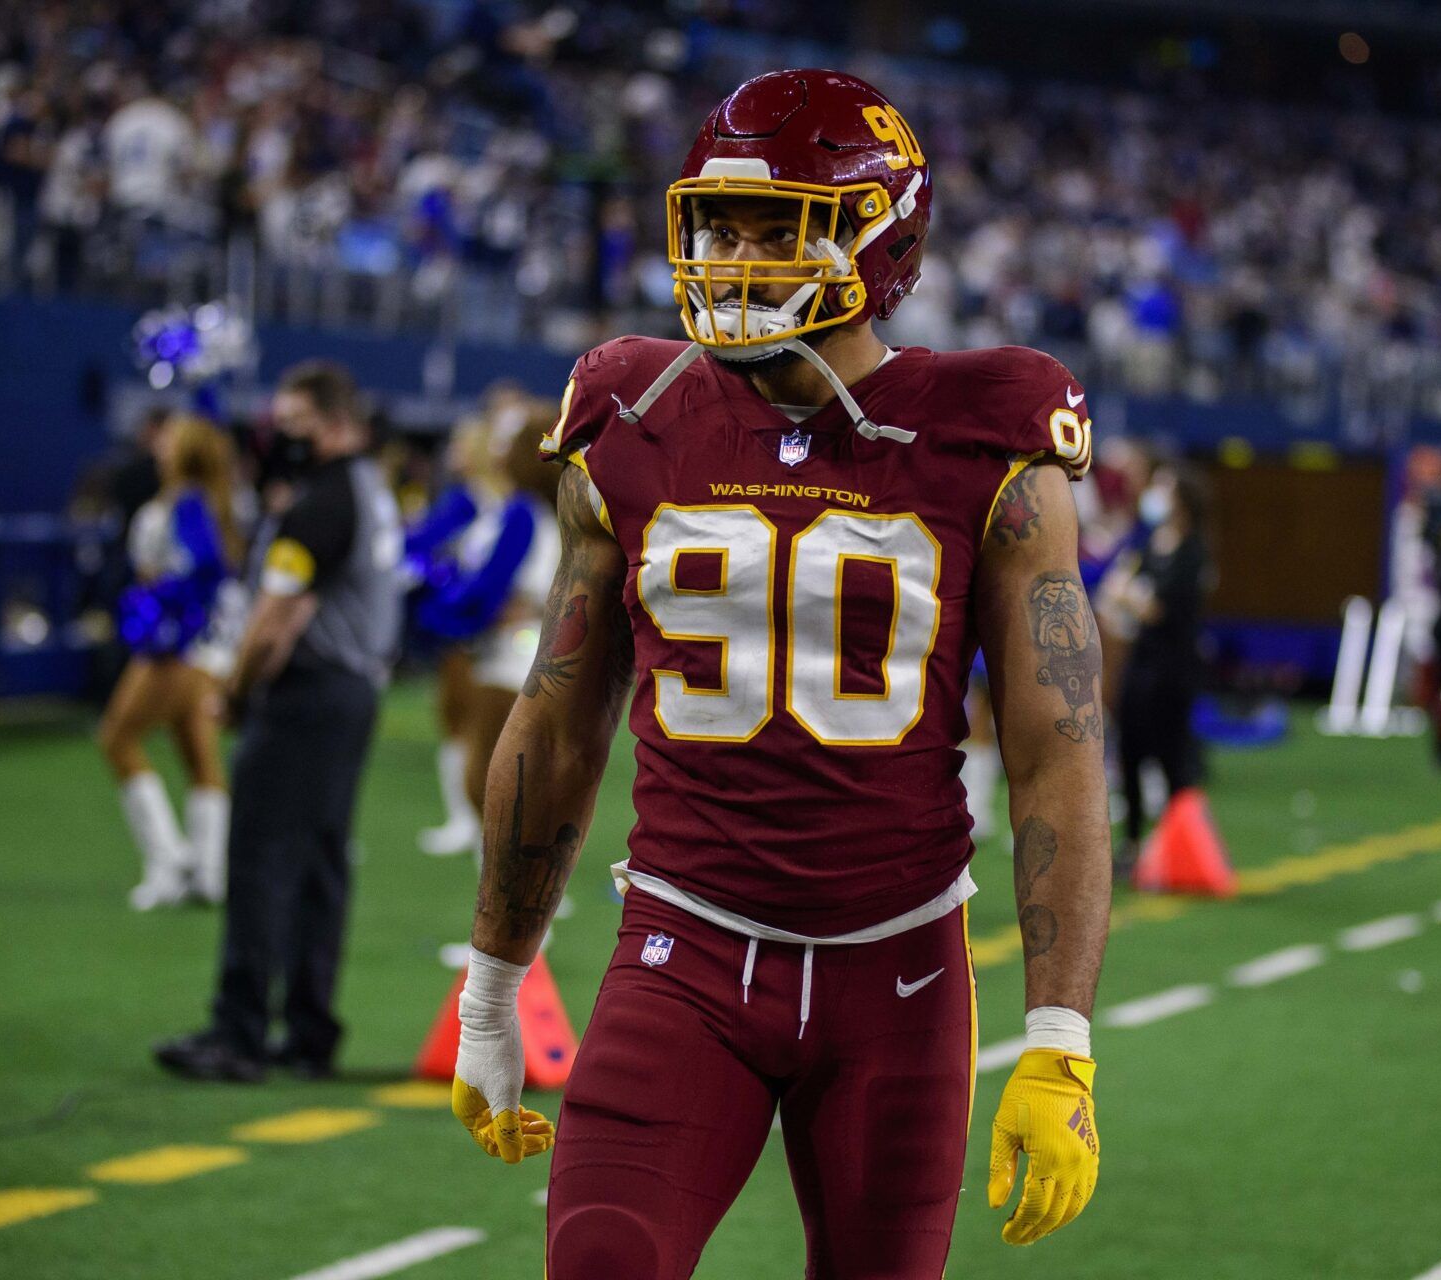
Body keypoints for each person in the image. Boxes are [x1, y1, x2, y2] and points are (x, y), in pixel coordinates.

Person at [449, 70, 1111, 1276]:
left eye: (781, 227)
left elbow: (1057, 746)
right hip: (681, 951)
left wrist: (1059, 1036)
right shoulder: (631, 414)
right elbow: (555, 722)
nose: (736, 257)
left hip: (899, 968)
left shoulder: (986, 436)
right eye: (720, 225)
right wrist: (494, 982)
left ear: (882, 237)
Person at [155, 361, 402, 1082]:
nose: (279, 439)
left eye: (292, 425)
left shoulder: (323, 499)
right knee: (320, 864)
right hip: (353, 690)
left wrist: (234, 690)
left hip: (308, 693)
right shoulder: (368, 489)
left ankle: (237, 1031)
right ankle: (307, 1028)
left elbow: (278, 617)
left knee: (261, 857)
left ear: (329, 423)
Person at [96, 416, 243, 909]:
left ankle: (168, 860)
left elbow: (207, 569)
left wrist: (165, 607)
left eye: (171, 439)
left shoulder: (187, 502)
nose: (160, 444)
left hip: (178, 651)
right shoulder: (210, 499)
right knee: (198, 755)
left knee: (116, 738)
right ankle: (208, 872)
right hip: (208, 652)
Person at [411, 397, 561, 856]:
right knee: (497, 787)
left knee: (491, 784)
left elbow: (493, 591)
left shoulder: (524, 511)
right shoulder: (530, 508)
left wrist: (444, 617)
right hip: (514, 647)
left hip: (514, 651)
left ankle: (527, 915)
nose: (496, 449)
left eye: (506, 440)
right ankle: (512, 915)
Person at [1100, 464, 1209, 859]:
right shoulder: (1149, 545)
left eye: (1167, 485)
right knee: (1130, 750)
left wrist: (1131, 597)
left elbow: (1154, 609)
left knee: (1172, 757)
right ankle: (1131, 843)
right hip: (1142, 661)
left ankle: (1180, 846)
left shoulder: (1193, 551)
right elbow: (1115, 592)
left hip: (1174, 668)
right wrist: (1132, 598)